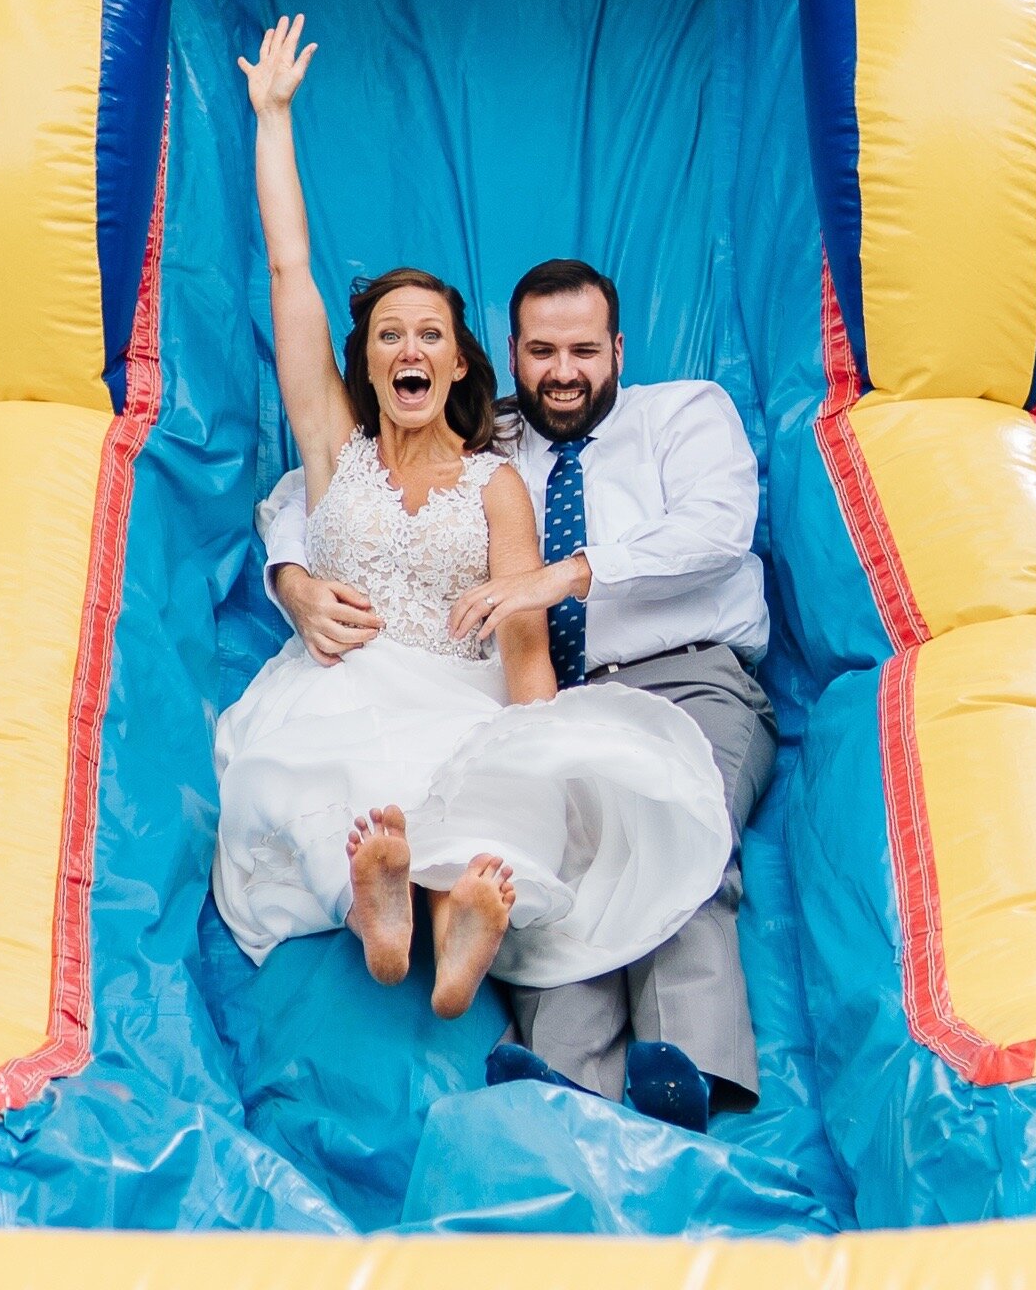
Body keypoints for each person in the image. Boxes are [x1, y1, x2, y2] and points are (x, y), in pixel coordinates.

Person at [215, 15, 732, 1042]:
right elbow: (290, 277)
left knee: (488, 786)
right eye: (389, 336)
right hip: (345, 687)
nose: (409, 348)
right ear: (366, 364)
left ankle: (450, 926)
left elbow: (523, 642)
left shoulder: (497, 482)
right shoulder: (333, 451)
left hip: (457, 689)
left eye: (430, 336)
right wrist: (271, 120)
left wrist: (543, 747)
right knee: (340, 774)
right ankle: (382, 902)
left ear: (458, 364)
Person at [265, 251, 777, 1129]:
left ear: (618, 346)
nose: (564, 372)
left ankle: (684, 1068)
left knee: (678, 821)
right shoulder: (491, 439)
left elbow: (717, 531)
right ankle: (562, 1075)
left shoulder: (684, 414)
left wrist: (562, 576)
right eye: (542, 352)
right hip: (541, 688)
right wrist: (292, 578)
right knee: (551, 854)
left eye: (584, 351)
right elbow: (328, 486)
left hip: (685, 674)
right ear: (509, 351)